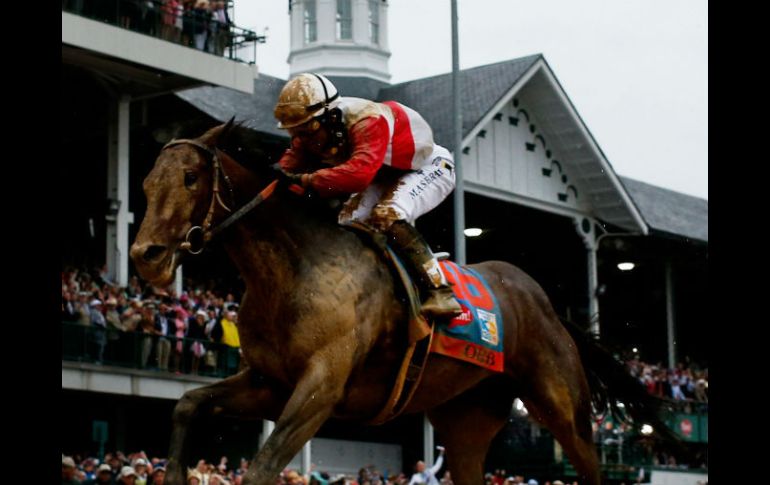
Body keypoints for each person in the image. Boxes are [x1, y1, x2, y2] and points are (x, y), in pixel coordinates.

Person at [274, 73, 462, 318]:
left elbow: (358, 175)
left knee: (388, 214)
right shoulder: (311, 132)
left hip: (429, 167)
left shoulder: (366, 120)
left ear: (329, 115)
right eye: (295, 133)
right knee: (345, 226)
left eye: (307, 130)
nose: (302, 140)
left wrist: (308, 180)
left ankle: (439, 290)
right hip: (383, 175)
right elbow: (285, 170)